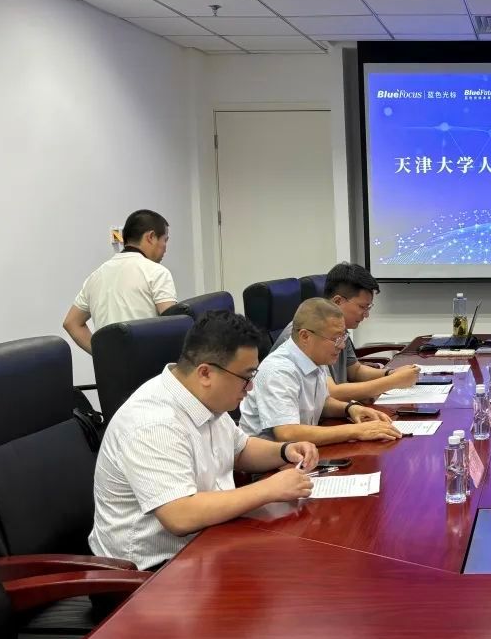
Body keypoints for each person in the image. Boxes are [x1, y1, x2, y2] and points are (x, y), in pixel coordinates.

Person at [89, 311, 320, 571]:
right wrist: (268, 489)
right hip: (150, 572)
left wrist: (285, 451)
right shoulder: (153, 422)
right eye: (246, 377)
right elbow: (180, 515)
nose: (250, 388)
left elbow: (240, 449)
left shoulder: (205, 398)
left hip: (207, 541)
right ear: (205, 373)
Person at [240, 298, 401, 446]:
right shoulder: (278, 370)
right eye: (335, 339)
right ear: (305, 336)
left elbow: (319, 403)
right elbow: (287, 433)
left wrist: (351, 408)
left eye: (343, 337)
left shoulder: (315, 356)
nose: (341, 346)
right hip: (269, 463)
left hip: (300, 452)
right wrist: (356, 431)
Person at [271, 262, 418, 402]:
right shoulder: (307, 336)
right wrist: (393, 381)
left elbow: (355, 371)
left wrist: (391, 373)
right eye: (362, 307)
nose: (366, 314)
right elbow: (330, 393)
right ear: (338, 301)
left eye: (368, 308)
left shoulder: (339, 330)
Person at [63, 209, 177, 354]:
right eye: (165, 240)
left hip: (110, 367)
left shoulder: (96, 276)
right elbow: (173, 327)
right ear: (151, 237)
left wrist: (102, 355)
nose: (165, 248)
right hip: (150, 365)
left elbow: (71, 323)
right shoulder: (157, 272)